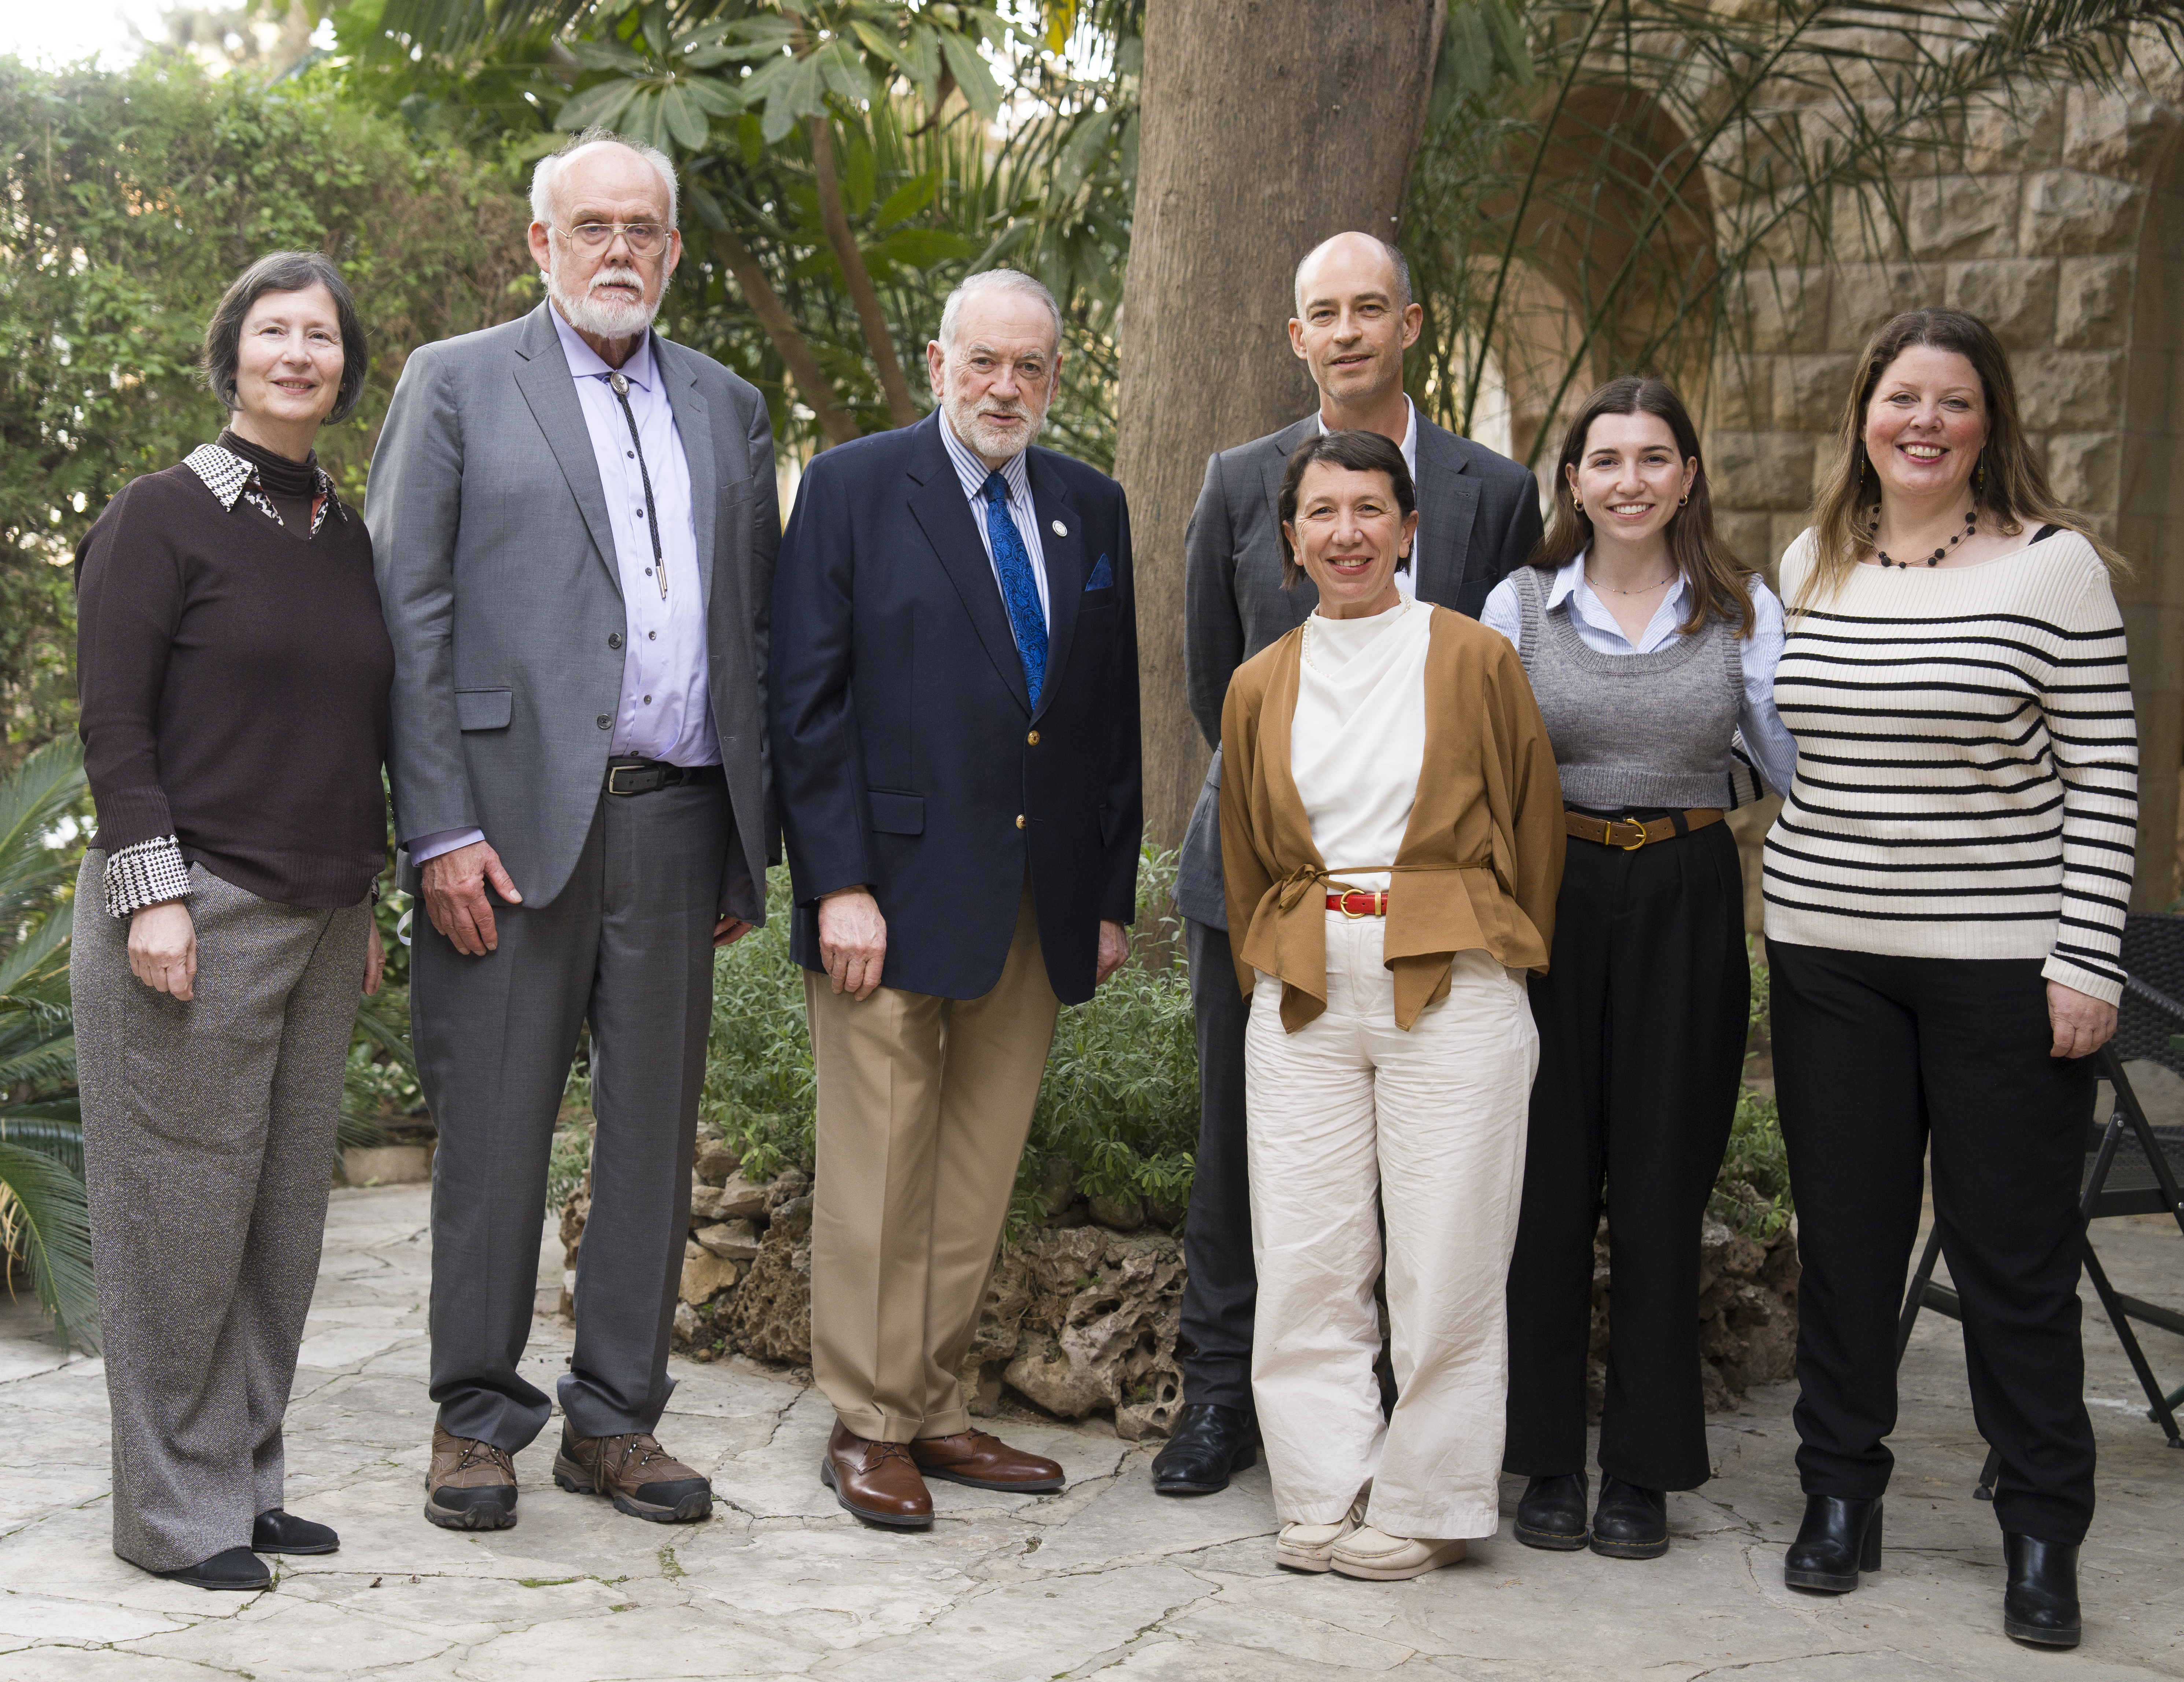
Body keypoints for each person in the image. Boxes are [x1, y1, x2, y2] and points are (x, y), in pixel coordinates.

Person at [367, 127, 778, 1532]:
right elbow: (406, 616)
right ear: (540, 244)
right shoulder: (459, 383)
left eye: (644, 229)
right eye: (591, 225)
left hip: (675, 822)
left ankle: (616, 1420)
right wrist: (435, 832)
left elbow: (752, 634)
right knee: (492, 1132)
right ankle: (475, 1421)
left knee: (653, 1141)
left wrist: (742, 837)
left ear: (672, 250)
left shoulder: (728, 407)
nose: (620, 249)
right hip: (505, 832)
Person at [1764, 308, 2136, 1649]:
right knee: (1847, 1247)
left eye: (1954, 402)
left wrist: (2086, 956)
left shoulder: (2057, 570)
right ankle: (1839, 1497)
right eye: (1901, 397)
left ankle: (2043, 1528)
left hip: (2002, 971)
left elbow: (2105, 776)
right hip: (1826, 957)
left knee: (2013, 1260)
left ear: (1992, 423)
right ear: (1864, 410)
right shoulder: (1812, 560)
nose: (1923, 423)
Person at [1157, 231, 1544, 1496]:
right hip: (1267, 887)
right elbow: (1225, 692)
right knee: (1249, 1159)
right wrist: (1295, 847)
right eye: (1323, 312)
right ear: (1297, 337)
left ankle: (1424, 1444)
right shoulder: (1235, 481)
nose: (1348, 332)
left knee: (1438, 1185)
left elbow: (1509, 717)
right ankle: (1224, 1401)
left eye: (1369, 308)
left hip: (1440, 907)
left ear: (1411, 323)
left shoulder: (1497, 489)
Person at [771, 269, 1141, 1530]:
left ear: (1053, 377)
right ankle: (867, 1421)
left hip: (1039, 899)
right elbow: (805, 703)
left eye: (1030, 367)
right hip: (888, 895)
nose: (1005, 388)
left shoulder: (1090, 507)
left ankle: (934, 1404)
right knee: (878, 1170)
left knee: (976, 1173)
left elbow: (1105, 719)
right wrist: (838, 884)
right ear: (939, 363)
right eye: (984, 362)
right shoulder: (855, 488)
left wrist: (1104, 889)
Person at [73, 250, 390, 1591]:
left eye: (322, 336)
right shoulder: (160, 516)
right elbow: (113, 722)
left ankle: (245, 1477)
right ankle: (170, 1515)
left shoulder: (344, 529)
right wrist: (156, 895)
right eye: (276, 331)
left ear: (344, 369)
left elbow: (352, 729)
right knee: (176, 1224)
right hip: (196, 908)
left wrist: (365, 897)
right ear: (233, 355)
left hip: (320, 916)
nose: (300, 354)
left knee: (276, 1224)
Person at [1220, 428, 1563, 1580]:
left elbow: (1533, 826)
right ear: (1293, 535)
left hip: (1452, 982)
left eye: (1371, 509)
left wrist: (1498, 951)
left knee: (1448, 1257)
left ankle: (1427, 1500)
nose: (1348, 533)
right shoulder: (1259, 681)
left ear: (1411, 529)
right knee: (1309, 1255)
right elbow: (1244, 853)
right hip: (1308, 989)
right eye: (1323, 512)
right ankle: (1322, 1488)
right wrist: (1273, 965)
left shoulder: (1471, 658)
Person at [1482, 378, 1798, 1560]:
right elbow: (1476, 767)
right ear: (1573, 482)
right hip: (1549, 896)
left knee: (1663, 1191)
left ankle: (1646, 1475)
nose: (1630, 481)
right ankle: (1549, 1461)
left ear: (1687, 476)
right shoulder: (1517, 604)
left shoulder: (1740, 610)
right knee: (1548, 1187)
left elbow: (1792, 761)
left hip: (1686, 894)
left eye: (1654, 458)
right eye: (1605, 460)